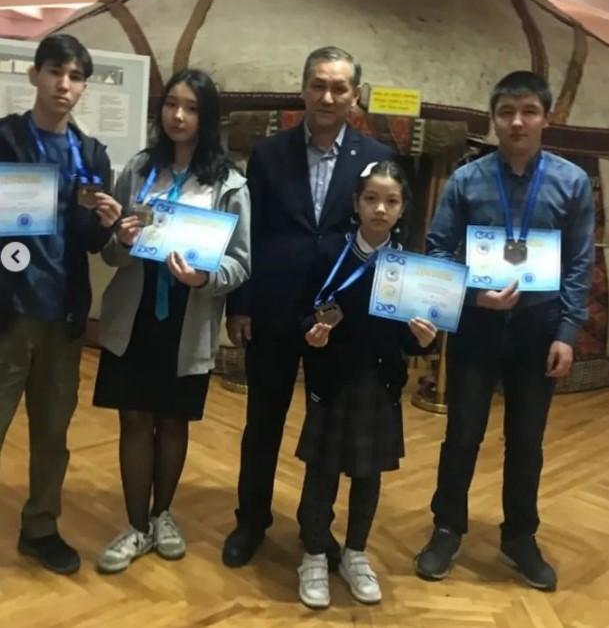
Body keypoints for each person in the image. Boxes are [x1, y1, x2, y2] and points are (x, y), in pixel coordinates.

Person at [414, 71, 595, 591]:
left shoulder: (571, 183)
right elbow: (439, 250)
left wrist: (566, 332)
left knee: (527, 440)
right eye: (507, 112)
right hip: (478, 324)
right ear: (493, 118)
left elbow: (579, 263)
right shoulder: (466, 181)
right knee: (462, 433)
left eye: (528, 111)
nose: (517, 122)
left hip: (539, 329)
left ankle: (519, 536)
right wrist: (474, 296)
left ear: (546, 118)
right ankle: (447, 528)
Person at [222, 46, 392, 568]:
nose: (328, 96)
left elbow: (384, 233)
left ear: (355, 96)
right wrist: (240, 306)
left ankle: (316, 529)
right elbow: (248, 233)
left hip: (337, 318)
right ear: (302, 89)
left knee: (328, 430)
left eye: (339, 87)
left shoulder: (375, 158)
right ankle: (251, 520)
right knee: (262, 423)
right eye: (318, 85)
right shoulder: (269, 154)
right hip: (273, 309)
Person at [93, 69, 250, 573]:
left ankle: (163, 515)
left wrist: (204, 279)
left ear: (208, 117)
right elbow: (111, 252)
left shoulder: (229, 183)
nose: (178, 116)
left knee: (173, 418)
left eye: (192, 108)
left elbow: (241, 262)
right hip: (135, 313)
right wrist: (122, 240)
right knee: (134, 418)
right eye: (171, 105)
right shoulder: (139, 169)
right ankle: (136, 525)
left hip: (189, 316)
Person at [0, 34, 121, 574]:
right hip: (7, 313)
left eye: (75, 77)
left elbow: (91, 244)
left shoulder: (91, 154)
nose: (64, 85)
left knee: (52, 434)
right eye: (55, 72)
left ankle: (41, 528)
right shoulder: (5, 139)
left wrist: (107, 224)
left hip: (63, 316)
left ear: (84, 87)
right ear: (35, 75)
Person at [296, 160, 436, 608]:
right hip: (332, 380)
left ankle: (355, 551)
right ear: (356, 203)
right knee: (321, 472)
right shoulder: (329, 252)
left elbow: (407, 338)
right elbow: (303, 311)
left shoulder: (407, 266)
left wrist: (422, 340)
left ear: (403, 208)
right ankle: (314, 553)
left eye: (391, 201)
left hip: (381, 382)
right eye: (371, 199)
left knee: (368, 474)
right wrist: (312, 332)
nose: (380, 209)